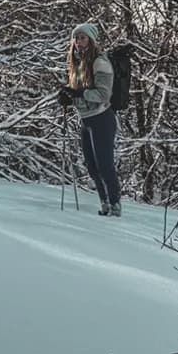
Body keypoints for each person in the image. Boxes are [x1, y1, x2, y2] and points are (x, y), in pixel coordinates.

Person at [58, 22, 121, 217]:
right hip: (86, 120)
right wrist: (68, 96)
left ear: (91, 40)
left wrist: (78, 93)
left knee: (104, 164)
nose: (78, 41)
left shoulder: (99, 62)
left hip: (101, 118)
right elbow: (79, 92)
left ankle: (114, 204)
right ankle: (104, 203)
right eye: (76, 38)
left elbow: (103, 94)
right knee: (92, 166)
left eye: (82, 37)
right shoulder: (76, 62)